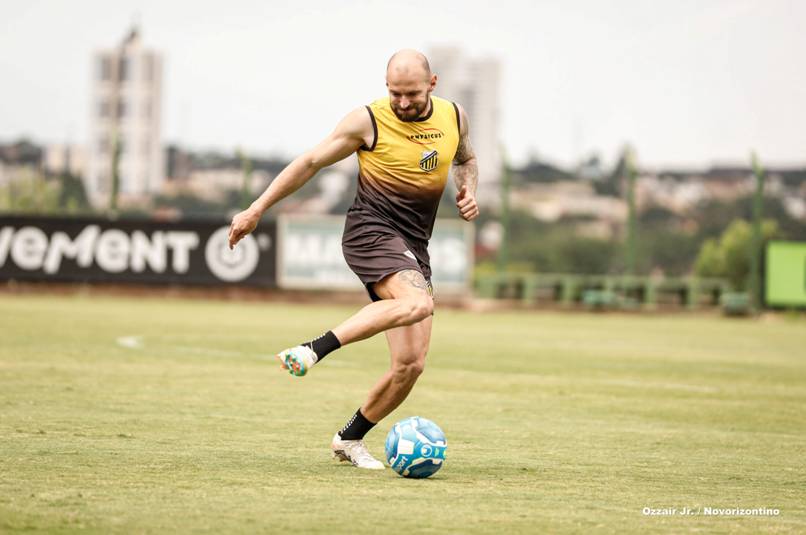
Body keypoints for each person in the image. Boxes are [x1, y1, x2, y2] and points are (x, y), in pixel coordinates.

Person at [228, 49, 478, 470]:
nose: (402, 103)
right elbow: (309, 162)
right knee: (418, 303)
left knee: (410, 366)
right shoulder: (369, 121)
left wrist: (468, 189)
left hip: (414, 245)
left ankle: (349, 438)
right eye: (395, 93)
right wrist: (255, 210)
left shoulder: (454, 117)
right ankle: (314, 349)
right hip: (371, 231)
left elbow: (466, 158)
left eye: (412, 94)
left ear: (432, 84)